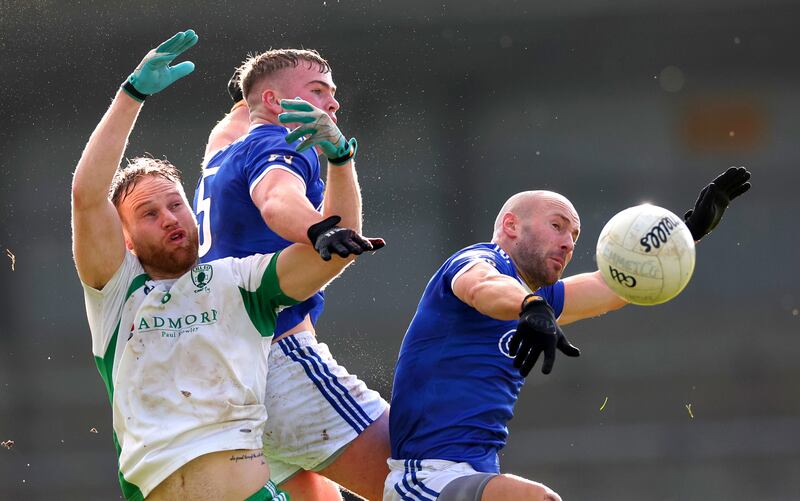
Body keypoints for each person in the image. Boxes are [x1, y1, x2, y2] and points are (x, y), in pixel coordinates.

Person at [72, 30, 382, 501]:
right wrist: (131, 96)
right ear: (126, 240)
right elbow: (87, 195)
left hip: (252, 490)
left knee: (414, 477)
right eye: (148, 215)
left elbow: (329, 255)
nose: (170, 218)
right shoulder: (116, 296)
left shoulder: (236, 280)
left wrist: (339, 164)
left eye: (176, 205)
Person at [385, 168, 751, 501]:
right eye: (558, 226)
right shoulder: (480, 260)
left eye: (574, 235)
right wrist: (529, 306)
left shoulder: (541, 297)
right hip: (427, 477)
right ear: (512, 226)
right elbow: (482, 287)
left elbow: (614, 288)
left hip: (474, 476)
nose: (569, 243)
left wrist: (684, 237)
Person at [194, 52, 390, 500]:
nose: (333, 104)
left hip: (229, 383)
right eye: (319, 91)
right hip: (282, 365)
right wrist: (317, 228)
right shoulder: (281, 144)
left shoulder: (221, 152)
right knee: (423, 478)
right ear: (273, 101)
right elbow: (276, 197)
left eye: (332, 93)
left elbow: (344, 233)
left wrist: (340, 161)